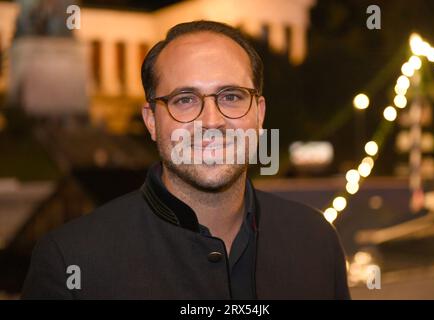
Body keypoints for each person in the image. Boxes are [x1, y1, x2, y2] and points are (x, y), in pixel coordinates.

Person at [22, 20, 350, 299]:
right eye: (185, 100)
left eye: (232, 96)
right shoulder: (71, 260)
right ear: (151, 120)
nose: (211, 120)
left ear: (259, 114)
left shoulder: (316, 240)